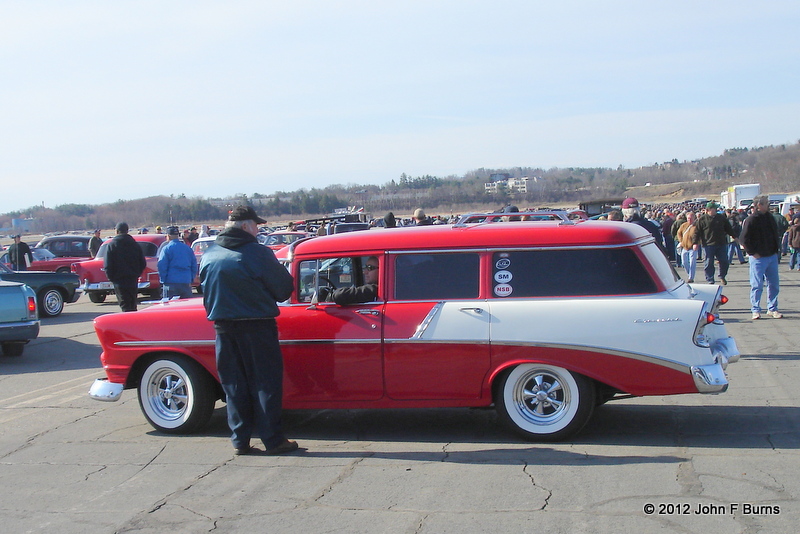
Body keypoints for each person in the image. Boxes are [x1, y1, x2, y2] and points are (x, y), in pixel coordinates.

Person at [199, 205, 298, 456]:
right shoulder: (257, 253)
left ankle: (240, 440)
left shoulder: (210, 253)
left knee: (234, 385)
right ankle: (273, 440)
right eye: (256, 226)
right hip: (257, 325)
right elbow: (283, 289)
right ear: (245, 227)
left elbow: (205, 292)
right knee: (266, 383)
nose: (257, 230)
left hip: (222, 328)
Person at [740, 194, 783, 319]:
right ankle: (755, 309)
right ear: (759, 205)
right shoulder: (751, 220)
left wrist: (776, 250)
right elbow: (743, 239)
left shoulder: (770, 218)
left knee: (773, 284)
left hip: (771, 255)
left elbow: (775, 234)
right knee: (757, 285)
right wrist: (752, 253)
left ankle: (772, 308)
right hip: (758, 258)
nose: (768, 205)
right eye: (766, 203)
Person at [104, 222, 146, 312]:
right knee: (132, 304)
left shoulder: (112, 245)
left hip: (119, 280)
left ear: (117, 231)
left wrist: (112, 278)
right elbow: (143, 263)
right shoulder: (135, 245)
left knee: (124, 305)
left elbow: (108, 265)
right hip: (132, 279)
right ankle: (133, 323)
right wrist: (137, 273)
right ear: (127, 231)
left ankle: (127, 323)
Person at [695, 202, 737, 285]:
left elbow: (728, 228)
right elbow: (697, 232)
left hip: (721, 243)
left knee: (724, 261)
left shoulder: (721, 218)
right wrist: (695, 243)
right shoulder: (702, 219)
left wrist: (735, 237)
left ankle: (722, 276)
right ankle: (710, 279)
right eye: (714, 209)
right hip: (708, 244)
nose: (716, 210)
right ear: (708, 210)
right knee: (708, 262)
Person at [157, 226, 198, 299]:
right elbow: (194, 265)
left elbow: (162, 265)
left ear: (168, 236)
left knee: (171, 307)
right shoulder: (187, 248)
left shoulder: (166, 249)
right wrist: (191, 278)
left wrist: (163, 279)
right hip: (186, 281)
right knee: (186, 307)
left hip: (170, 282)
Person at [676, 211, 700, 283]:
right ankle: (689, 274)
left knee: (692, 262)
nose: (689, 220)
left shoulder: (697, 226)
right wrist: (681, 241)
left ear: (694, 218)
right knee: (684, 262)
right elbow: (679, 233)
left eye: (691, 218)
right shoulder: (684, 225)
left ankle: (691, 277)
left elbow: (699, 236)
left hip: (692, 247)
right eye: (688, 218)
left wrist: (697, 243)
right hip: (684, 246)